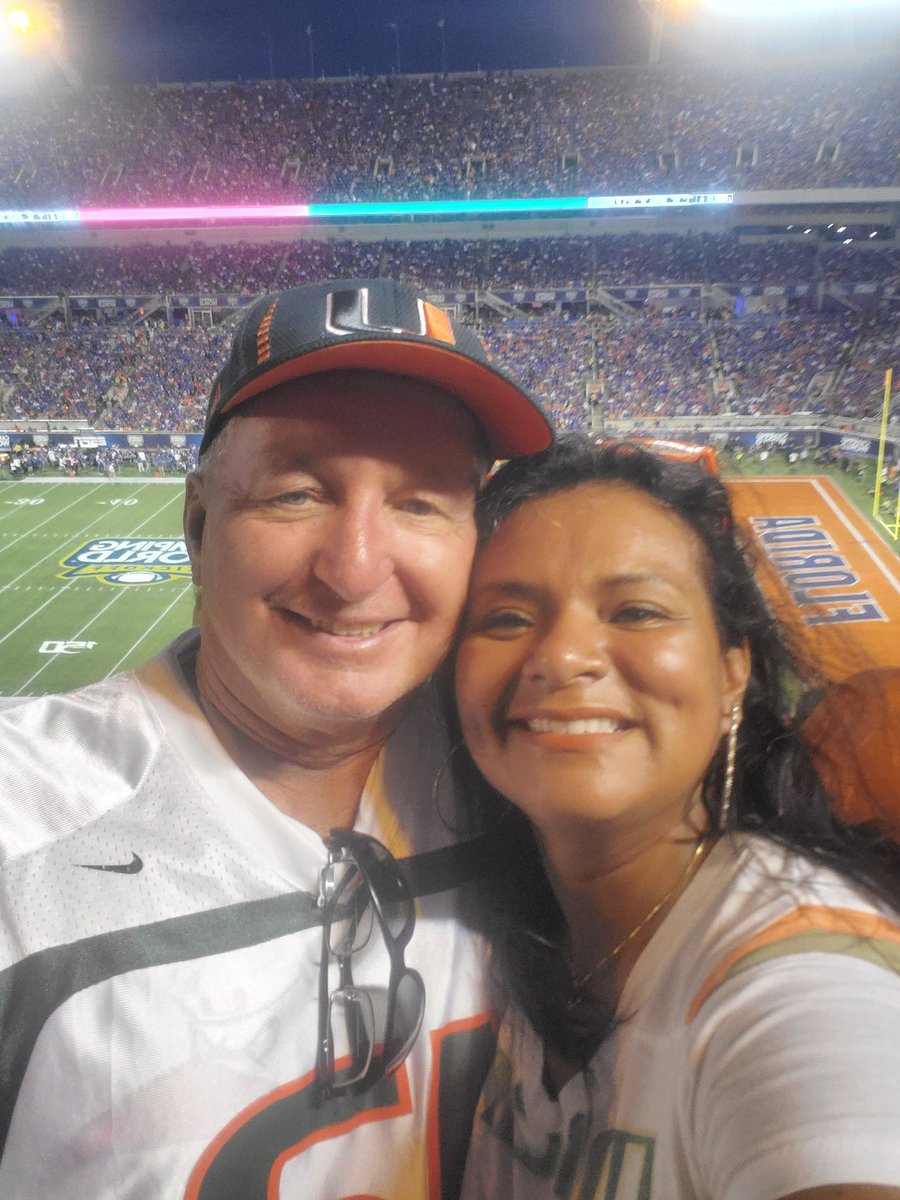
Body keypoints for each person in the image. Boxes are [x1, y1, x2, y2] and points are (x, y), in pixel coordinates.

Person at [0, 277, 553, 1198]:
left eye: (421, 503)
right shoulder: (25, 826)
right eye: (296, 494)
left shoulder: (543, 792)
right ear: (198, 522)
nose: (355, 570)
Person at [452, 436, 900, 1200]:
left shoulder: (801, 982)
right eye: (505, 618)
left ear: (732, 673)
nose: (562, 655)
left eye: (637, 611)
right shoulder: (499, 929)